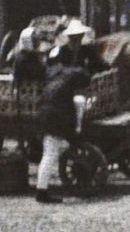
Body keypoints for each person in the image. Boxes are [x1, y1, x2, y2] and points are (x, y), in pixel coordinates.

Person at [33, 20, 100, 204]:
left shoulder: (57, 77)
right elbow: (71, 105)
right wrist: (74, 130)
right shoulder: (72, 74)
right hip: (53, 115)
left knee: (50, 152)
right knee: (50, 154)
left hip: (45, 111)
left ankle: (42, 190)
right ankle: (41, 192)